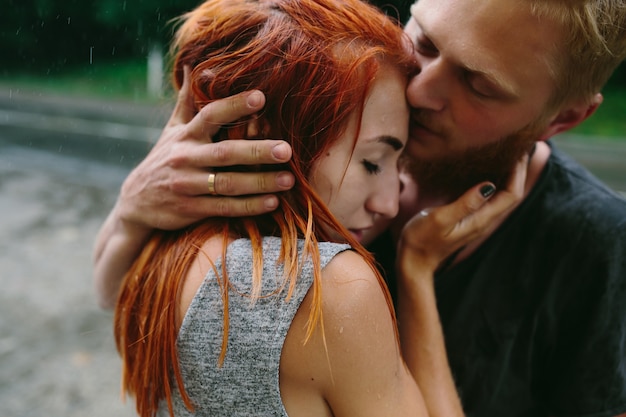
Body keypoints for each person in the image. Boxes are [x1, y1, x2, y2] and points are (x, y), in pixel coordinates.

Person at [93, 0, 626, 416]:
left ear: (564, 118)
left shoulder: (596, 244)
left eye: (478, 84)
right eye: (426, 43)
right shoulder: (316, 144)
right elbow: (120, 300)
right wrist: (135, 203)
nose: (420, 90)